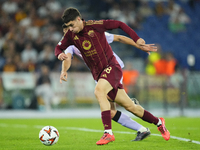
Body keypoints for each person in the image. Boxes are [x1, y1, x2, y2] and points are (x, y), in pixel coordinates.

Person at [55, 7, 170, 145]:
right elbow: (59, 49)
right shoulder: (70, 36)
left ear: (79, 19)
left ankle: (108, 133)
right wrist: (59, 55)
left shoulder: (96, 26)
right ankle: (158, 122)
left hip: (112, 68)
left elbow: (119, 26)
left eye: (72, 25)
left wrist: (137, 40)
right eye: (68, 27)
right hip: (100, 75)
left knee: (98, 91)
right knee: (129, 107)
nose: (70, 29)